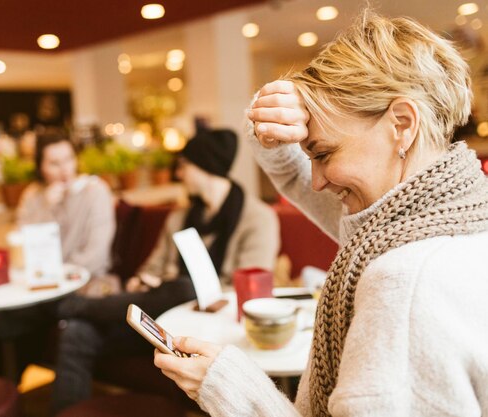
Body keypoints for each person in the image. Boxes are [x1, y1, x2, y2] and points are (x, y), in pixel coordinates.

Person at [155, 10, 488, 417]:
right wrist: (275, 114)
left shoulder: (404, 282)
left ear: (401, 124)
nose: (315, 182)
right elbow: (290, 172)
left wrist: (229, 387)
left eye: (325, 153)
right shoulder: (444, 219)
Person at [50, 128, 280, 413]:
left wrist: (181, 289)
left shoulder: (258, 218)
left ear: (204, 166)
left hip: (205, 324)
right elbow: (152, 266)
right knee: (77, 332)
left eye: (183, 165)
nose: (179, 174)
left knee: (185, 288)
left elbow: (249, 286)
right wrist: (143, 280)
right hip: (157, 320)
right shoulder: (179, 217)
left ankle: (73, 305)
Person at [0, 130, 116, 383]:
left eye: (68, 159)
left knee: (63, 317)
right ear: (41, 167)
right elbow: (22, 250)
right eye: (54, 163)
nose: (64, 169)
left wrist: (58, 273)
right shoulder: (33, 196)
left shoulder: (95, 191)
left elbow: (95, 256)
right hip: (43, 289)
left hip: (84, 287)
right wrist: (46, 208)